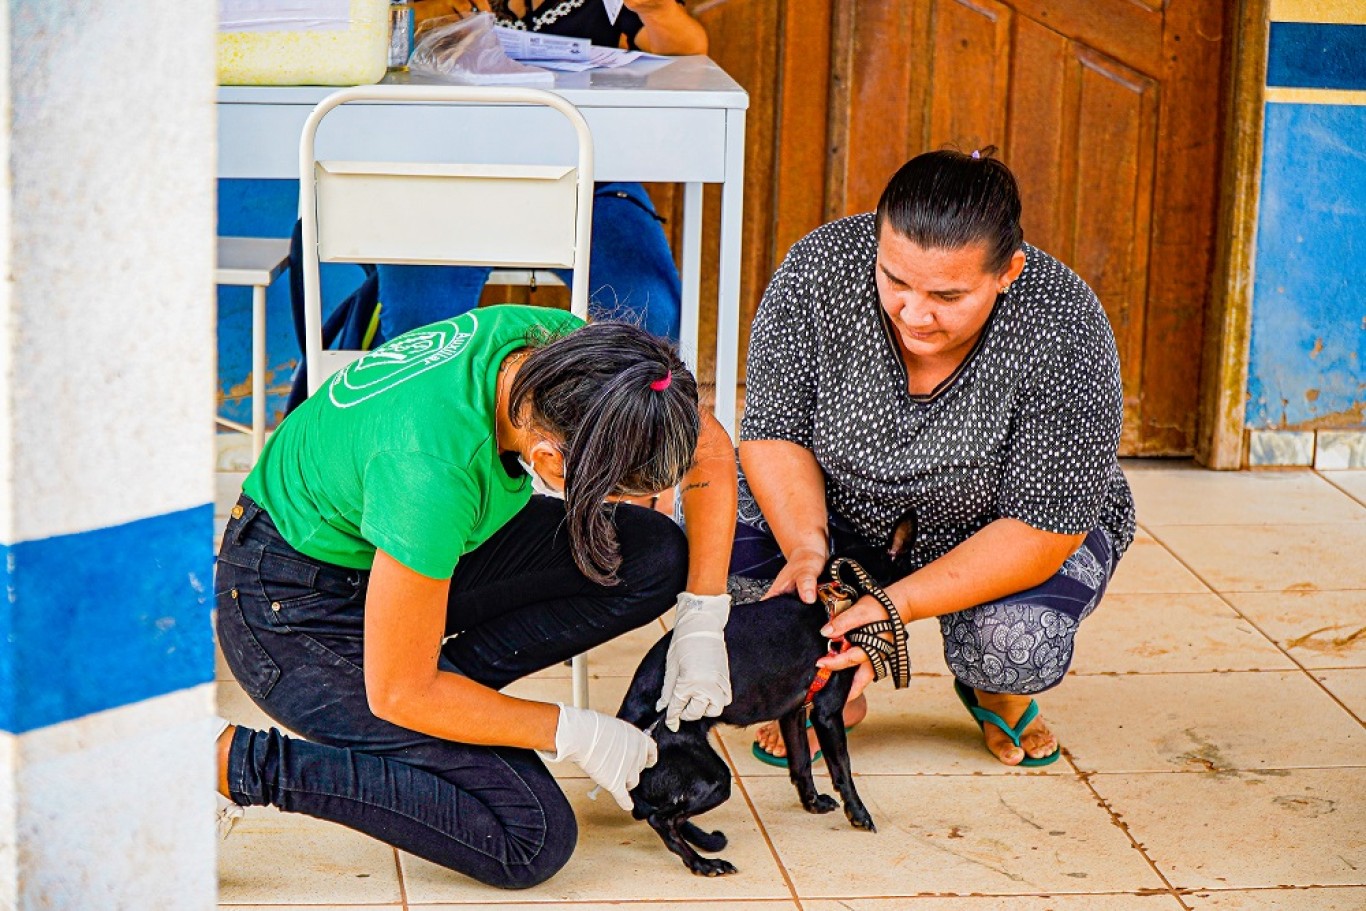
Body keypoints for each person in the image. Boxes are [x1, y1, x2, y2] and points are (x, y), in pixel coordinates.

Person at [215, 305, 737, 888]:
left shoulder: (570, 361)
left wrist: (702, 616)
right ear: (549, 460)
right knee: (529, 838)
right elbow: (398, 690)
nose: (634, 502)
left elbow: (703, 441)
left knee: (653, 555)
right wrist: (576, 732)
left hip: (401, 547)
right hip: (288, 604)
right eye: (613, 490)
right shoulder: (431, 472)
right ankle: (226, 761)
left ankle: (439, 706)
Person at [735, 149, 1136, 768]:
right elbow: (773, 430)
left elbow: (1042, 528)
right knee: (730, 558)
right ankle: (833, 688)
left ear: (1008, 272)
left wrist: (891, 611)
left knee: (1015, 645)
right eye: (894, 280)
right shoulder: (818, 270)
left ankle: (993, 689)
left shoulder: (1064, 324)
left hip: (993, 528)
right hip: (845, 506)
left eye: (947, 295)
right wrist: (809, 552)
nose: (914, 314)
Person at [374, 1, 710, 343]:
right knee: (417, 338)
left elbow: (687, 50)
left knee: (656, 316)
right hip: (448, 184)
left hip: (584, 185)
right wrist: (423, 17)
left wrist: (656, 10)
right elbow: (365, 33)